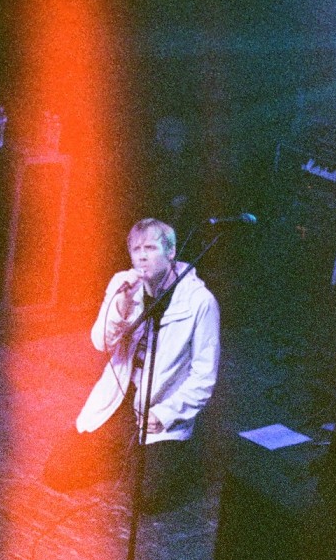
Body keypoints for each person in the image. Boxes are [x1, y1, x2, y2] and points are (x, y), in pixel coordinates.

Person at [43, 218, 221, 512]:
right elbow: (100, 341)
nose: (141, 256)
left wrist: (164, 414)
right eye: (136, 249)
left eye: (150, 248)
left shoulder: (200, 302)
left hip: (159, 408)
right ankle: (120, 450)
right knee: (58, 473)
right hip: (118, 400)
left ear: (171, 251)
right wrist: (121, 304)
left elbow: (204, 378)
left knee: (147, 501)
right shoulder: (123, 285)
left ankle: (169, 456)